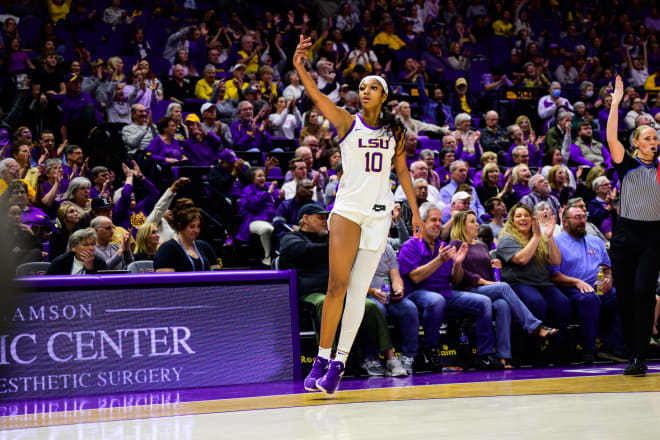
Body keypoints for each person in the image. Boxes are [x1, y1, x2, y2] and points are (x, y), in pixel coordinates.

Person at [293, 35, 423, 395]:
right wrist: (300, 66)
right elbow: (317, 98)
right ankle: (321, 356)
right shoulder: (347, 122)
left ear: (384, 96)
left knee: (358, 293)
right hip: (348, 211)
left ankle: (339, 363)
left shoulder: (395, 130)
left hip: (379, 215)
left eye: (372, 88)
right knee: (337, 285)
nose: (364, 91)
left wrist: (414, 212)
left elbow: (404, 174)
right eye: (361, 87)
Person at [279, 205, 407, 377]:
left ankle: (390, 358)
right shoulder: (290, 238)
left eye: (327, 218)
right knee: (324, 303)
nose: (325, 222)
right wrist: (339, 243)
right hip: (311, 295)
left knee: (370, 306)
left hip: (338, 292)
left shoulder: (330, 239)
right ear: (305, 219)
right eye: (320, 218)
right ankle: (328, 360)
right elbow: (305, 251)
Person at [398, 202, 502, 371]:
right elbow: (415, 277)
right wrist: (439, 260)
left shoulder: (444, 247)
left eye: (439, 220)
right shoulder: (410, 246)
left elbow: (455, 279)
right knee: (436, 300)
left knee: (483, 302)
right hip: (417, 293)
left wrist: (458, 264)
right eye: (433, 220)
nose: (438, 224)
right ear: (422, 223)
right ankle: (429, 349)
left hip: (445, 292)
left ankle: (485, 355)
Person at [449, 210, 558, 367]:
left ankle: (503, 356)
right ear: (462, 225)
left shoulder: (481, 245)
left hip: (485, 288)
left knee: (503, 305)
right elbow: (462, 273)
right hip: (467, 290)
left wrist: (493, 268)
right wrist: (487, 283)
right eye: (472, 222)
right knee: (503, 287)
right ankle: (534, 326)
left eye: (476, 221)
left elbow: (486, 271)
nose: (477, 224)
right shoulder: (456, 243)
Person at [606, 75, 660, 376]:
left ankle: (641, 353)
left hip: (653, 236)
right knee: (625, 297)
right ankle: (633, 356)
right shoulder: (627, 163)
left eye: (656, 137)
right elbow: (611, 138)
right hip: (626, 236)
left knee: (643, 292)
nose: (653, 142)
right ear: (636, 143)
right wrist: (615, 103)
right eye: (648, 138)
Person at [550, 206, 624, 364]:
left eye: (584, 217)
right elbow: (553, 275)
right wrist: (576, 282)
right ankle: (588, 350)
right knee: (589, 299)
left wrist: (609, 279)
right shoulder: (556, 242)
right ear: (565, 222)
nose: (582, 221)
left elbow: (608, 268)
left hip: (597, 287)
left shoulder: (595, 241)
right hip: (570, 288)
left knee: (622, 295)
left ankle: (613, 347)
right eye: (577, 218)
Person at [495, 203, 570, 340]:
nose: (523, 219)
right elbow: (522, 259)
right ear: (512, 220)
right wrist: (536, 237)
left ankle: (558, 345)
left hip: (542, 283)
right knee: (537, 303)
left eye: (526, 216)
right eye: (518, 216)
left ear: (532, 219)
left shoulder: (540, 237)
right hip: (518, 283)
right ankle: (533, 349)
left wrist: (550, 236)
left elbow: (555, 261)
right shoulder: (508, 239)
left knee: (562, 303)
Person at [153, 199, 220, 272]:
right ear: (180, 226)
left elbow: (215, 274)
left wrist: (210, 272)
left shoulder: (205, 247)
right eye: (192, 227)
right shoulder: (167, 249)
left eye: (198, 226)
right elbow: (166, 281)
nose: (196, 230)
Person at [237, 167, 280, 266]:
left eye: (263, 176)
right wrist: (267, 193)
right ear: (252, 178)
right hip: (253, 220)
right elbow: (253, 206)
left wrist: (280, 198)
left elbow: (276, 205)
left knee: (282, 226)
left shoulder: (268, 187)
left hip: (271, 219)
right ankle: (267, 257)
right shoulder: (247, 190)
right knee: (266, 229)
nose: (263, 178)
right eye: (259, 176)